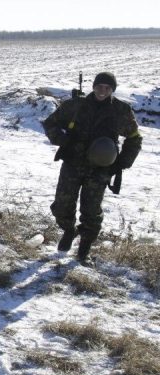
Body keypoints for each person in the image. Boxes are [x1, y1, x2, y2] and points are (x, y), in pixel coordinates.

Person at [42, 71, 142, 262]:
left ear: (112, 90)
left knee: (91, 210)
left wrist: (121, 163)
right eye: (99, 86)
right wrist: (63, 140)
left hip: (100, 168)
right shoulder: (76, 105)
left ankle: (85, 246)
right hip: (73, 163)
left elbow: (134, 138)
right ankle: (69, 230)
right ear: (93, 86)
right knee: (62, 206)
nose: (102, 91)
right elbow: (50, 123)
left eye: (107, 88)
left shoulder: (121, 110)